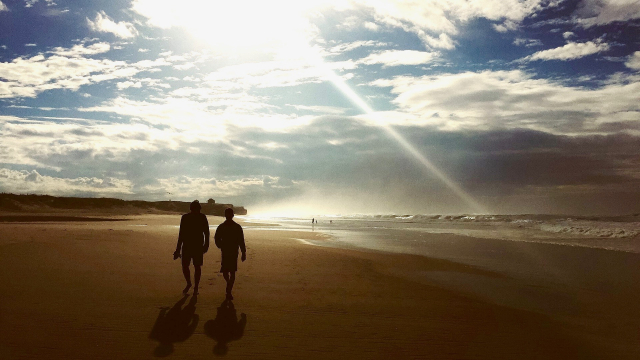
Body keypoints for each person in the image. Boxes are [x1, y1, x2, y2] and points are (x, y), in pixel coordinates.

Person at [174, 200, 210, 295]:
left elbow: (206, 232)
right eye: (195, 209)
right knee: (185, 266)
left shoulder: (202, 217)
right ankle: (189, 283)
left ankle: (196, 287)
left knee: (197, 266)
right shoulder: (185, 217)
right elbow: (181, 234)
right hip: (187, 245)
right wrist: (177, 249)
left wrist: (206, 245)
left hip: (197, 246)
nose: (195, 211)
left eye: (197, 210)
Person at [214, 208, 246, 300]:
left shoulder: (237, 227)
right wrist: (220, 246)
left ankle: (229, 290)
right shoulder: (222, 226)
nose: (228, 216)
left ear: (232, 215)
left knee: (232, 271)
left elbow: (241, 241)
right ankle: (229, 284)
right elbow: (217, 238)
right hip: (226, 251)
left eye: (229, 214)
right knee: (225, 271)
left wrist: (244, 252)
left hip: (233, 251)